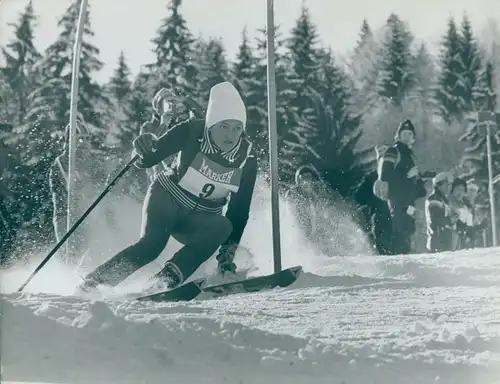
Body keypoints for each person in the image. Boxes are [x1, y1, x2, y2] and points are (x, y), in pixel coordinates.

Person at [77, 81, 258, 292]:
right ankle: (95, 284)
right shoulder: (191, 131)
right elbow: (148, 158)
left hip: (198, 218)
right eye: (223, 127)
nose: (230, 136)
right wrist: (143, 146)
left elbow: (238, 212)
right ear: (210, 124)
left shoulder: (247, 160)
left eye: (237, 128)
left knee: (223, 226)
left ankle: (165, 280)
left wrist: (227, 255)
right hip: (166, 200)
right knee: (152, 246)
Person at [48, 119, 110, 262]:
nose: (85, 143)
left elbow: (100, 187)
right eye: (80, 139)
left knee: (90, 252)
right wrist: (76, 185)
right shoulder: (61, 163)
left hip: (87, 215)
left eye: (87, 139)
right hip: (66, 216)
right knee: (69, 254)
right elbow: (65, 192)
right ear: (70, 141)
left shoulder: (93, 162)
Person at [374, 119, 427, 255]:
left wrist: (420, 182)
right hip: (397, 201)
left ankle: (405, 264)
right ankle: (400, 267)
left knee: (409, 230)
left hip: (408, 202)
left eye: (410, 134)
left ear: (413, 138)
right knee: (400, 233)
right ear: (398, 135)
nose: (407, 136)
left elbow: (414, 185)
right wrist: (406, 176)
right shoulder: (393, 151)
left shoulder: (409, 155)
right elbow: (385, 175)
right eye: (404, 133)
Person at [357, 144, 393, 255]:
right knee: (383, 247)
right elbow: (359, 197)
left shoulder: (396, 176)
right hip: (381, 215)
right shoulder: (371, 177)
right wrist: (372, 202)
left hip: (394, 215)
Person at [425, 172, 454, 253]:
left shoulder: (443, 199)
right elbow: (435, 219)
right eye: (446, 184)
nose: (448, 187)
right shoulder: (433, 198)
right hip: (437, 243)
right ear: (438, 185)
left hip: (443, 242)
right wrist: (450, 220)